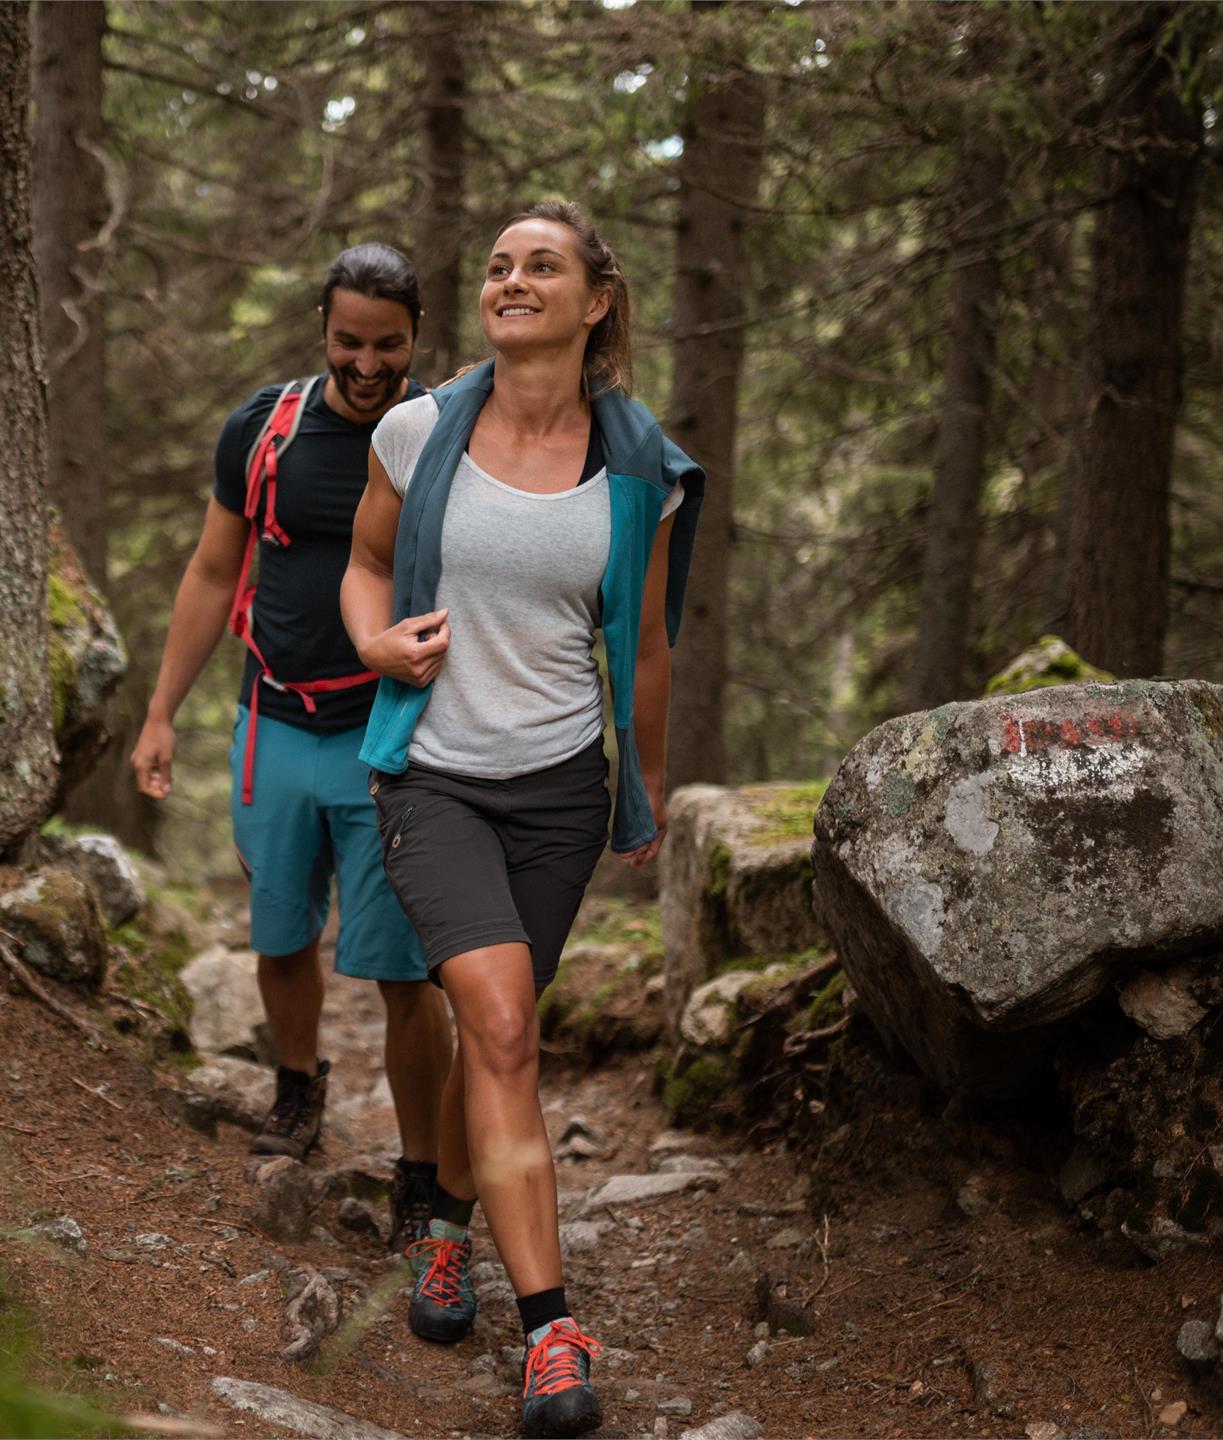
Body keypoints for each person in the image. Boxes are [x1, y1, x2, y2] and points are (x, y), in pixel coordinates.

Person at [341, 201, 703, 1439]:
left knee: (495, 1033)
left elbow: (646, 648)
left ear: (595, 300)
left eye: (540, 265)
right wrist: (373, 641)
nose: (511, 280)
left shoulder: (641, 467)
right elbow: (366, 564)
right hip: (430, 772)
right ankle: (553, 1327)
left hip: (557, 790)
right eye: (496, 266)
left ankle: (445, 1230)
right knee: (497, 1022)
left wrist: (641, 790)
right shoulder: (419, 426)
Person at [129, 244, 455, 1256]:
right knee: (279, 937)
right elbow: (211, 569)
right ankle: (296, 1089)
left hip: (391, 736)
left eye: (389, 345)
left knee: (405, 972)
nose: (367, 364)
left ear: (417, 339)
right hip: (271, 722)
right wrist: (159, 713)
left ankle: (422, 1169)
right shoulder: (262, 430)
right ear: (323, 328)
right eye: (350, 341)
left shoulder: (445, 436)